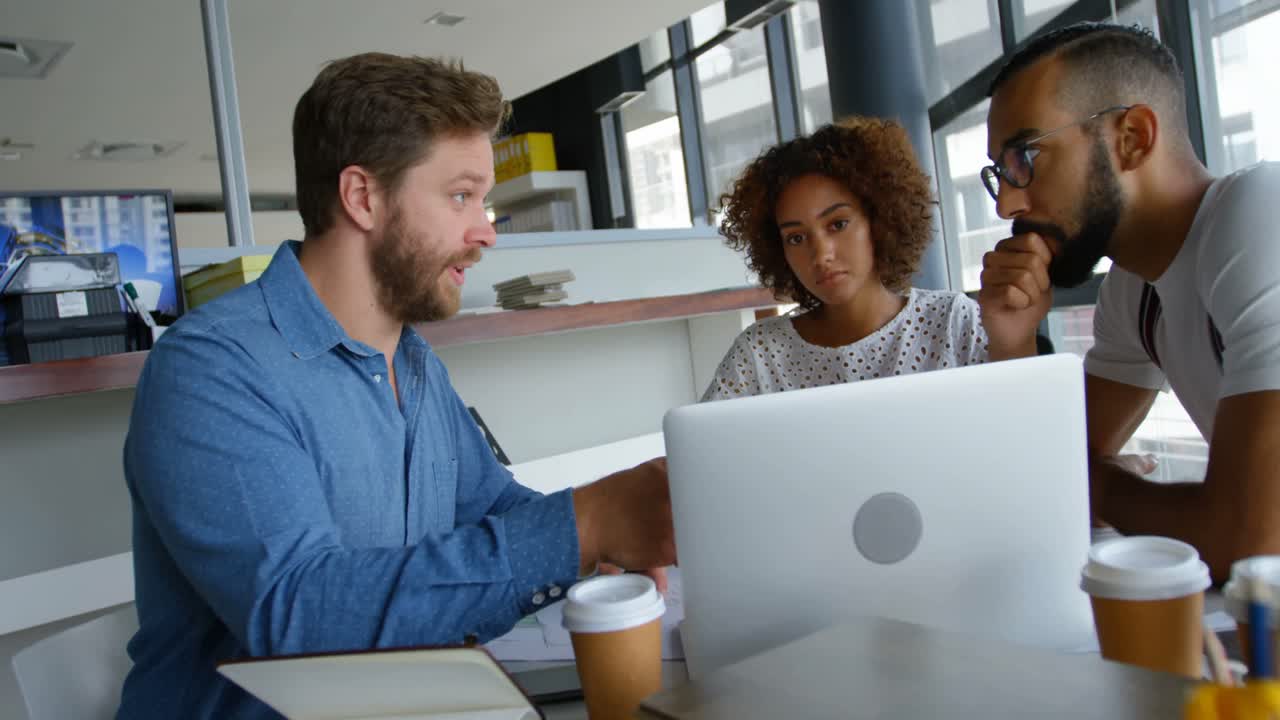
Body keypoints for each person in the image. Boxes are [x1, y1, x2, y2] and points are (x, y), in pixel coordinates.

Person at [118, 53, 675, 718]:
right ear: (363, 197)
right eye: (460, 195)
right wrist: (584, 525)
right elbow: (298, 614)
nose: (485, 232)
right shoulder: (210, 370)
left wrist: (610, 537)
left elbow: (492, 509)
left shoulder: (411, 361)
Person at [977, 22, 1280, 580]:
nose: (1008, 205)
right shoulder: (1133, 290)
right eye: (1001, 173)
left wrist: (1098, 482)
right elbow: (1046, 475)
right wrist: (1012, 339)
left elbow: (1251, 541)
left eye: (1026, 157)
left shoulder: (1261, 215)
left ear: (1133, 137)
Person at [701, 117, 988, 402]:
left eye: (837, 224)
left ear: (879, 220)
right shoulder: (759, 354)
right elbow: (702, 444)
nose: (821, 254)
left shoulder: (952, 323)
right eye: (796, 238)